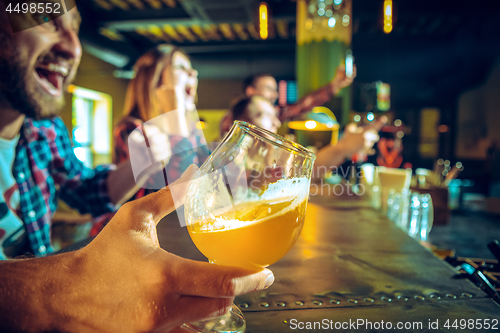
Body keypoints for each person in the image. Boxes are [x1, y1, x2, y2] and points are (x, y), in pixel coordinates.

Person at [0, 5, 274, 331]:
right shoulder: (135, 128)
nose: (74, 48)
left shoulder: (45, 129)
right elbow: (190, 202)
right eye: (44, 18)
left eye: (74, 28)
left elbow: (85, 192)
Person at [113, 44, 210, 199]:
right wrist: (175, 107)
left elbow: (207, 179)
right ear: (156, 79)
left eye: (191, 68)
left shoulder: (191, 129)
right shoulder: (133, 130)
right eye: (180, 68)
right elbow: (179, 191)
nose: (193, 72)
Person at [228, 96, 386, 179]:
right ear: (243, 122)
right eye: (265, 115)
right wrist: (343, 147)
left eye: (275, 116)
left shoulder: (270, 155)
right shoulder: (230, 161)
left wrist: (343, 148)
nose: (276, 122)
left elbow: (308, 170)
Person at [220, 64, 357, 133]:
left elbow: (301, 106)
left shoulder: (273, 114)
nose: (275, 95)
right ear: (251, 91)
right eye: (269, 89)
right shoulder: (231, 121)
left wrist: (334, 85)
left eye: (276, 90)